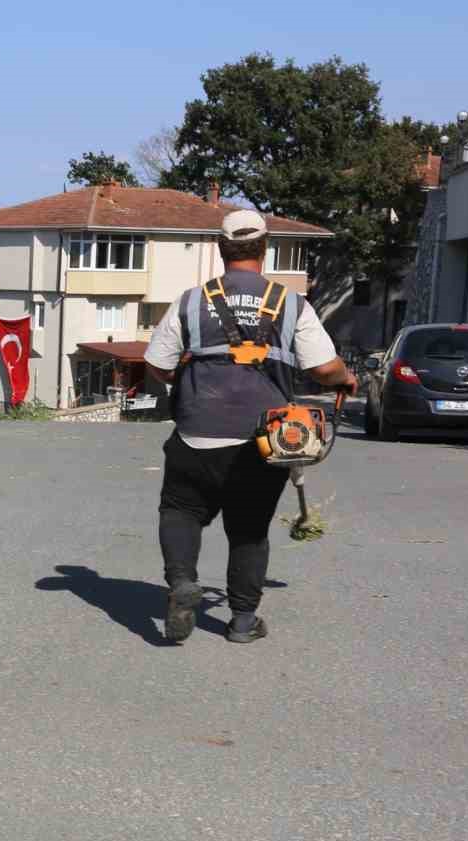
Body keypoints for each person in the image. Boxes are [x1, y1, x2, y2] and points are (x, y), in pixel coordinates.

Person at [143, 210, 357, 645]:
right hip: (265, 438)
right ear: (264, 249)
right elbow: (322, 367)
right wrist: (346, 379)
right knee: (249, 529)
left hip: (196, 431)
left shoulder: (190, 300)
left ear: (222, 250)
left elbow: (156, 364)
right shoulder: (293, 303)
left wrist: (184, 376)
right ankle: (242, 621)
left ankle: (183, 582)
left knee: (181, 510)